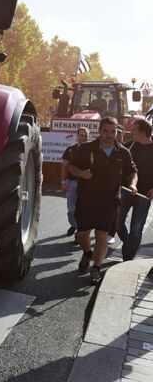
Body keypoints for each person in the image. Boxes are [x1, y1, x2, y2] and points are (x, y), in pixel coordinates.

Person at [69, 117, 137, 284]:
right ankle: (87, 253)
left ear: (117, 132)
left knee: (102, 234)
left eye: (113, 131)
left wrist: (133, 185)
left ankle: (96, 268)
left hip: (109, 200)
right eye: (105, 131)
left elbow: (132, 172)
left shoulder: (123, 152)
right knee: (82, 233)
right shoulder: (87, 149)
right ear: (99, 131)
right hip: (86, 199)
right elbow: (71, 167)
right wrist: (82, 174)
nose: (109, 135)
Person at [117, 119, 153, 261]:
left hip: (144, 195)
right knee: (117, 223)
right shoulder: (128, 146)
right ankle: (128, 242)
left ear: (143, 132)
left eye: (134, 130)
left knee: (136, 228)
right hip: (125, 191)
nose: (131, 132)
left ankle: (128, 256)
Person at [62, 127, 89, 241]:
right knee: (71, 209)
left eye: (85, 136)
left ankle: (79, 233)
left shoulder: (92, 151)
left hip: (87, 184)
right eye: (81, 135)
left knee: (83, 209)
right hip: (71, 182)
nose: (83, 138)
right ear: (77, 136)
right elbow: (64, 166)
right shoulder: (70, 150)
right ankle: (74, 225)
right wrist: (63, 181)